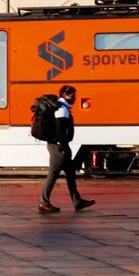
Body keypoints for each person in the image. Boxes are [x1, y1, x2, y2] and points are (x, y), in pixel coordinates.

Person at [38, 85, 95, 214]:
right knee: (53, 174)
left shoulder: (62, 108)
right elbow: (60, 130)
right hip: (59, 147)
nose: (74, 97)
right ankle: (43, 201)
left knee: (70, 174)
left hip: (61, 146)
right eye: (72, 95)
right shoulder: (62, 110)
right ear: (65, 95)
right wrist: (63, 147)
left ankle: (77, 201)